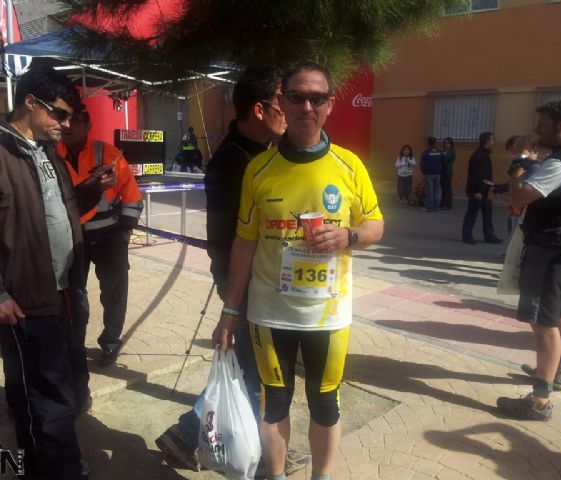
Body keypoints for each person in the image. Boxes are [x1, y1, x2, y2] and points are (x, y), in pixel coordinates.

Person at [212, 61, 384, 480]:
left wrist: (348, 236)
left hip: (328, 315)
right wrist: (230, 311)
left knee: (325, 402)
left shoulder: (349, 166)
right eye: (297, 97)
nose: (307, 106)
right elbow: (244, 243)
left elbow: (375, 225)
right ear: (282, 103)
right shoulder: (258, 169)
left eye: (317, 98)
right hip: (270, 313)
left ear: (330, 104)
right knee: (274, 402)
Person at [156, 66, 309, 475]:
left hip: (257, 281)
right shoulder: (237, 162)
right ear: (260, 109)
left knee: (247, 366)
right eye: (284, 103)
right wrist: (233, 296)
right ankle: (252, 453)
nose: (291, 112)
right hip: (246, 282)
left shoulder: (257, 154)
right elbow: (232, 238)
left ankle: (190, 436)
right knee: (257, 371)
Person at [0, 65, 112, 479]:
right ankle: (61, 469)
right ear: (30, 102)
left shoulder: (45, 147)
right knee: (47, 397)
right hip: (23, 299)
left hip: (63, 291)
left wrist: (89, 189)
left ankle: (41, 464)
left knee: (48, 387)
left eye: (71, 117)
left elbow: (51, 210)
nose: (67, 124)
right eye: (60, 114)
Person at [497, 101, 561, 421]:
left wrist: (520, 160)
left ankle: (539, 401)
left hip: (549, 251)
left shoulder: (560, 164)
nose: (536, 129)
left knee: (543, 324)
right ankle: (556, 373)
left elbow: (518, 197)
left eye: (542, 124)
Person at [57, 105, 144, 367]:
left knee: (114, 292)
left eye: (76, 121)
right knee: (72, 294)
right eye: (65, 120)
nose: (68, 126)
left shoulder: (108, 153)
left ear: (88, 125)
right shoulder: (50, 153)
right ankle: (72, 344)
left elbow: (132, 195)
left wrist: (124, 231)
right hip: (72, 236)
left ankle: (110, 343)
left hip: (110, 236)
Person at [461, 132, 503, 244]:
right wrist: (475, 192)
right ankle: (467, 236)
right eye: (492, 140)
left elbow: (486, 175)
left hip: (486, 190)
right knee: (472, 213)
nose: (494, 142)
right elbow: (474, 176)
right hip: (478, 191)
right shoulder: (478, 156)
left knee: (488, 213)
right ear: (487, 141)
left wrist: (491, 189)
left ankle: (489, 235)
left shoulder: (485, 155)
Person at [419, 136, 443, 212]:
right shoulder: (440, 152)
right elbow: (443, 161)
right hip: (437, 173)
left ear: (428, 143)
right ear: (435, 143)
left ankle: (429, 207)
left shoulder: (425, 152)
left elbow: (422, 164)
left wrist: (424, 172)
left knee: (429, 191)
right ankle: (436, 207)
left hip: (428, 174)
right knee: (436, 191)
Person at [439, 137, 455, 210]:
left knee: (447, 188)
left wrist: (442, 154)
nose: (446, 144)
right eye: (445, 142)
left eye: (448, 143)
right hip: (442, 171)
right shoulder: (443, 151)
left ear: (451, 144)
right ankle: (442, 203)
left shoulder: (451, 151)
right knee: (443, 187)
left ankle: (447, 204)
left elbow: (445, 159)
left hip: (448, 171)